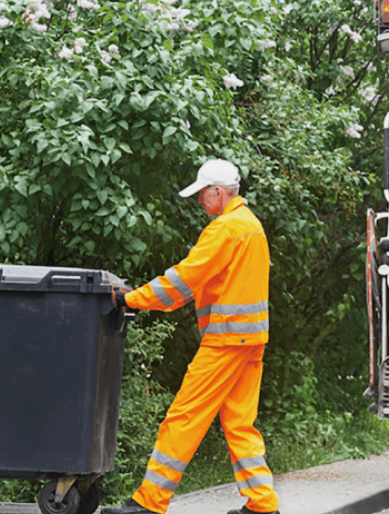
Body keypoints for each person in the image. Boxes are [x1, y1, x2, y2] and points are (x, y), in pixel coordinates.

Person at [105, 159, 279, 514]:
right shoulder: (251, 226)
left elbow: (184, 278)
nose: (200, 201)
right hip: (251, 341)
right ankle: (263, 504)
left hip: (226, 342)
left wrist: (132, 298)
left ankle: (149, 503)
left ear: (218, 191)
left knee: (183, 417)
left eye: (203, 193)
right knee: (239, 424)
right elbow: (199, 283)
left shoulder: (225, 228)